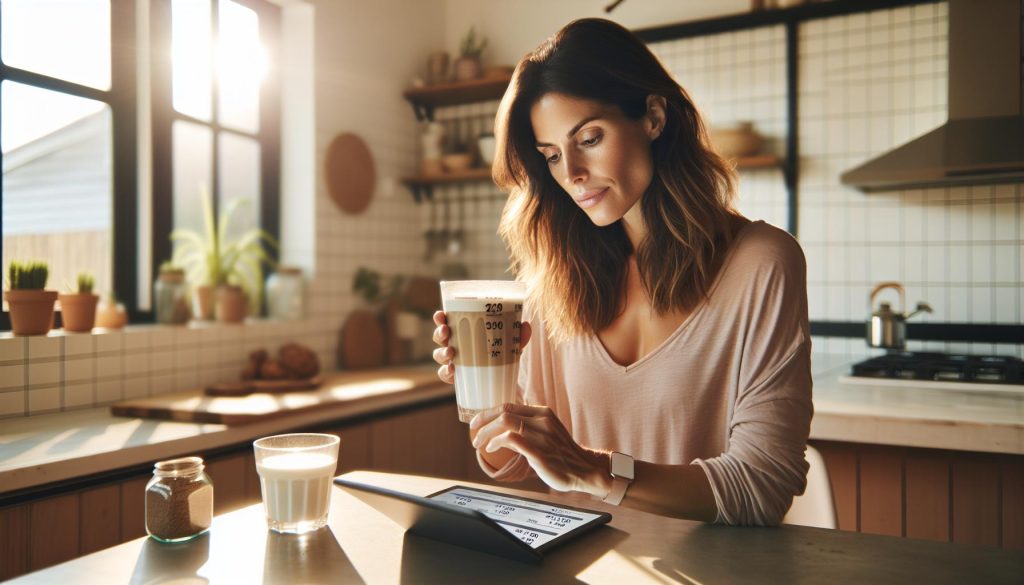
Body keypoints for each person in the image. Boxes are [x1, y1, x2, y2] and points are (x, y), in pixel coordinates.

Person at [431, 18, 812, 526]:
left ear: (653, 116)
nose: (572, 174)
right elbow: (518, 465)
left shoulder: (762, 263)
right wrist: (490, 405)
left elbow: (761, 487)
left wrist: (594, 471)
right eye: (551, 156)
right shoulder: (554, 280)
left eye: (589, 138)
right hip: (577, 567)